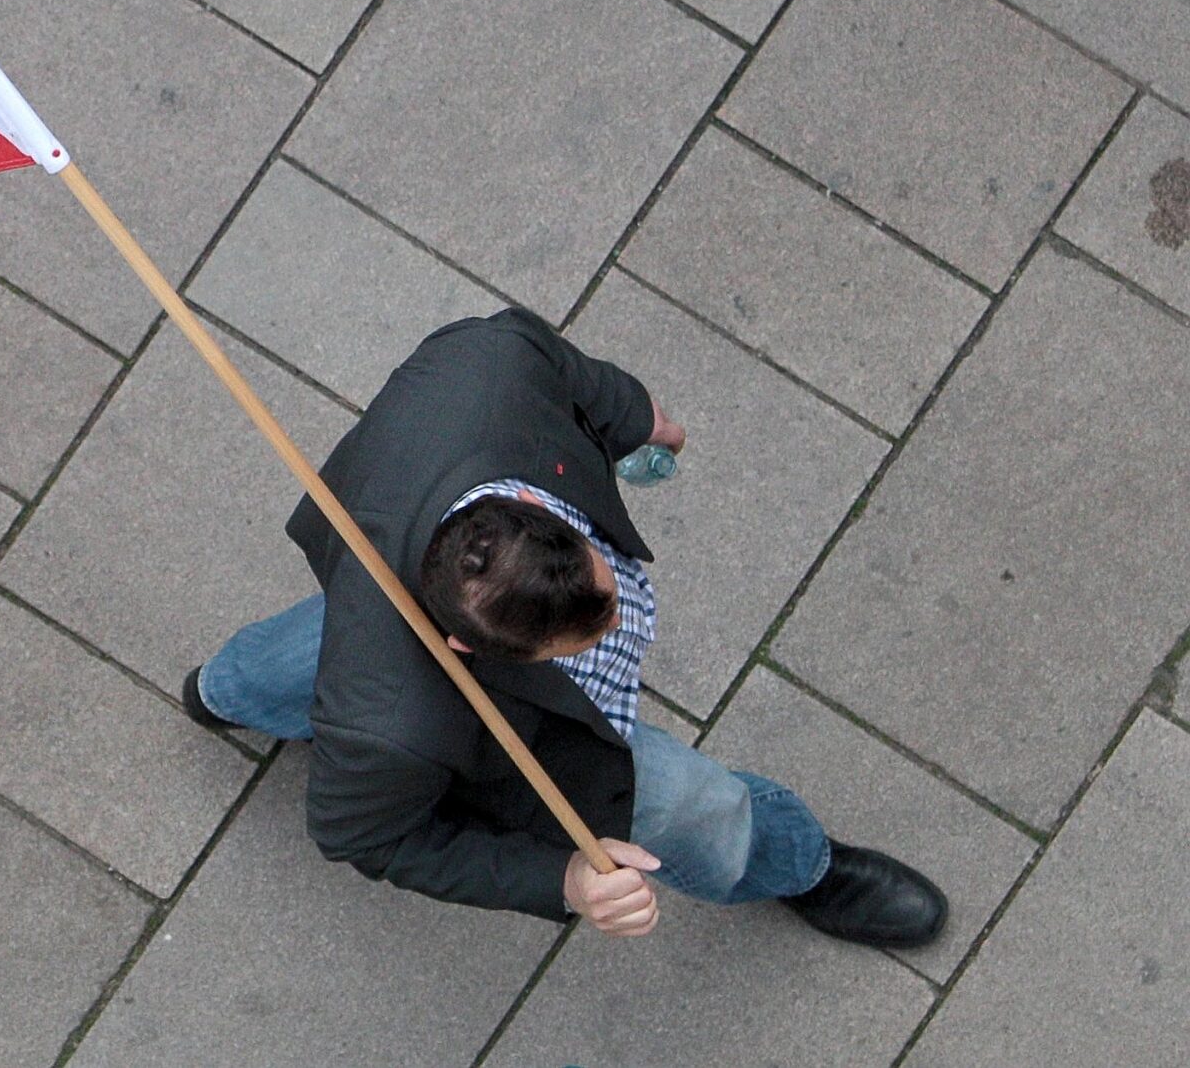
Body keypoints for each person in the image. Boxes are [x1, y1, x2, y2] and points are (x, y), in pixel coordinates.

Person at [182, 307, 942, 944]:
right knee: (681, 800)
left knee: (338, 635)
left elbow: (562, 368)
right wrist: (565, 878)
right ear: (467, 647)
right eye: (585, 639)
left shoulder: (488, 364)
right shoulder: (390, 726)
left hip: (379, 570)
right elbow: (361, 835)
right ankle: (797, 861)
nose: (617, 629)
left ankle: (224, 690)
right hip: (415, 695)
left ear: (539, 509)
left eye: (605, 596)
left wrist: (634, 414)